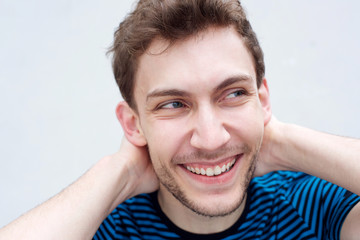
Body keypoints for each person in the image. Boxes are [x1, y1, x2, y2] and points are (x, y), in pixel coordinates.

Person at [0, 0, 359, 239]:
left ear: (262, 101)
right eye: (173, 104)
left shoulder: (312, 206)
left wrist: (284, 144)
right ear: (133, 124)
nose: (211, 138)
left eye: (234, 94)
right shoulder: (105, 228)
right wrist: (121, 171)